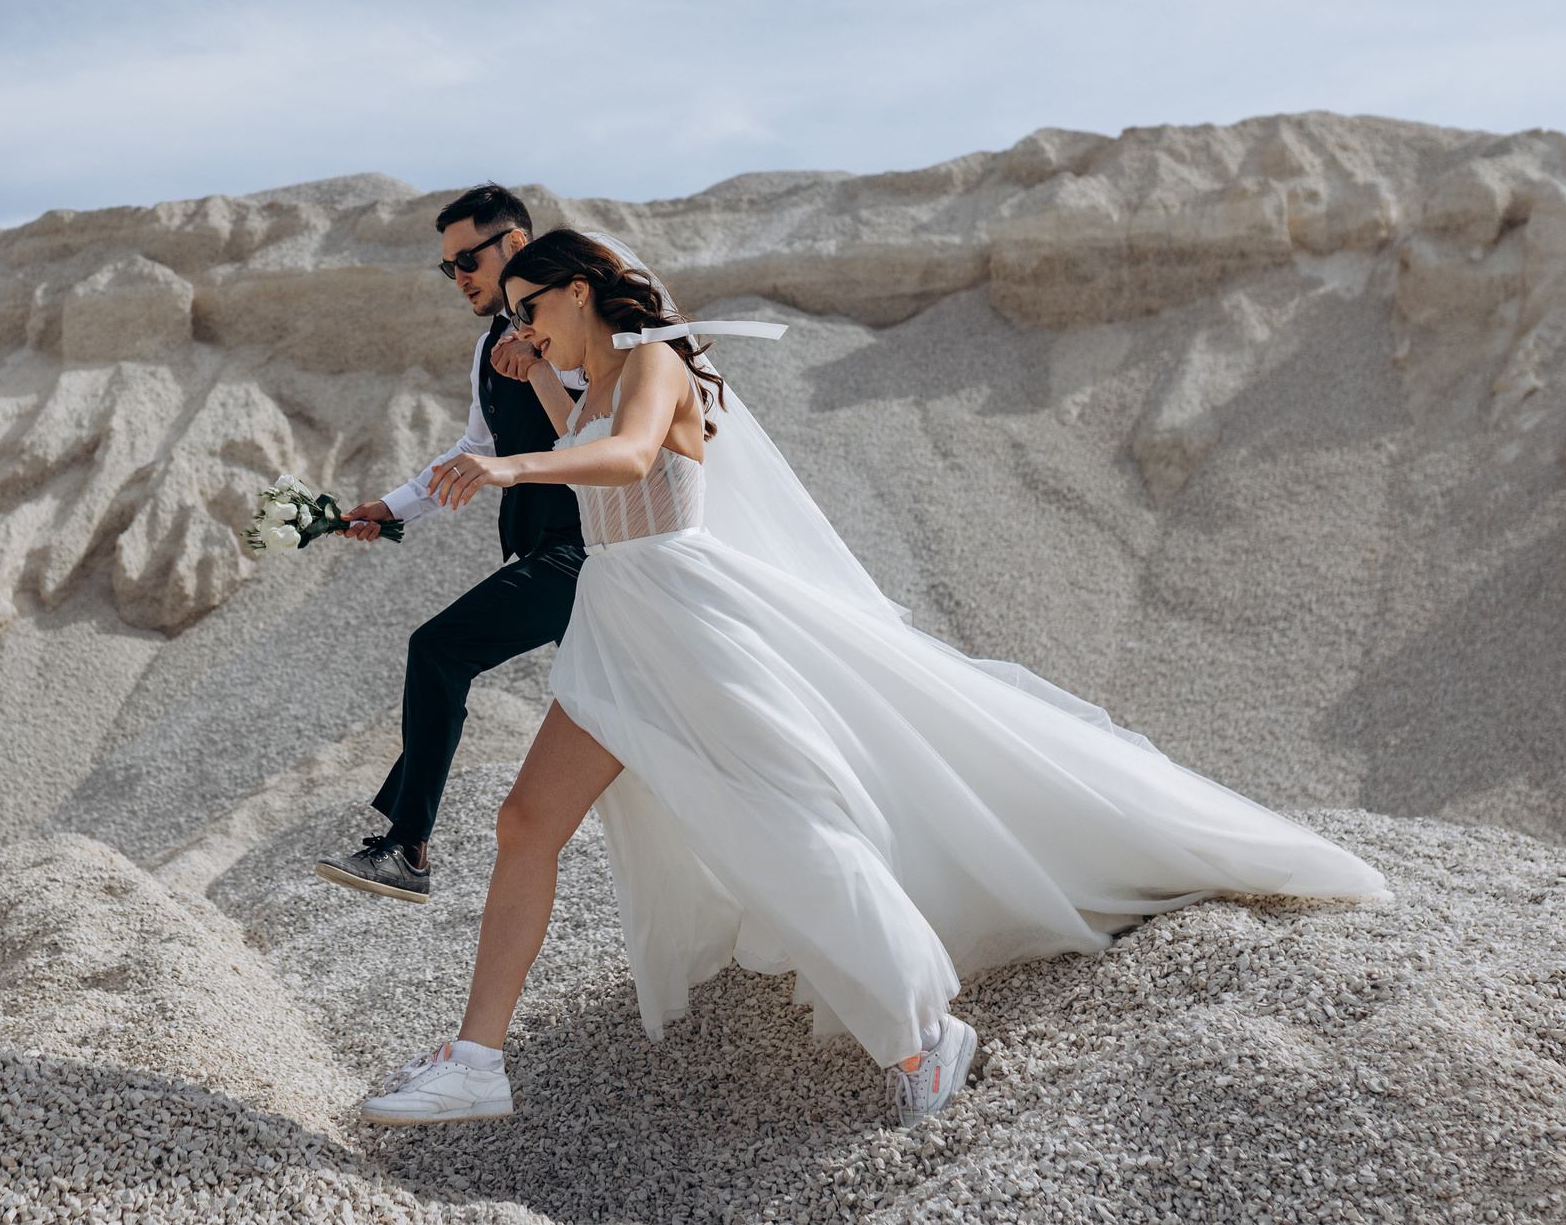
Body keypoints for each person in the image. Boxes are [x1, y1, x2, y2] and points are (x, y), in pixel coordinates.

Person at [359, 231, 1390, 1128]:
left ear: (577, 291)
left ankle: (920, 1039)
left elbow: (627, 458)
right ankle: (474, 1063)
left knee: (785, 818)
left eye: (529, 309)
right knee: (525, 823)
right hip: (617, 621)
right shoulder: (593, 377)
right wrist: (535, 382)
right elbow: (586, 422)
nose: (525, 329)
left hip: (682, 615)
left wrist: (510, 466)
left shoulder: (659, 363)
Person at [312, 185, 590, 906]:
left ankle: (408, 847)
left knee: (439, 649)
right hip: (540, 556)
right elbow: (476, 448)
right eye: (448, 267)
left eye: (468, 258)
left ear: (515, 246)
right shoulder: (484, 349)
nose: (459, 275)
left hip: (587, 551)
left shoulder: (574, 327)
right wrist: (390, 508)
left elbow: (603, 427)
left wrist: (541, 355)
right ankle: (406, 839)